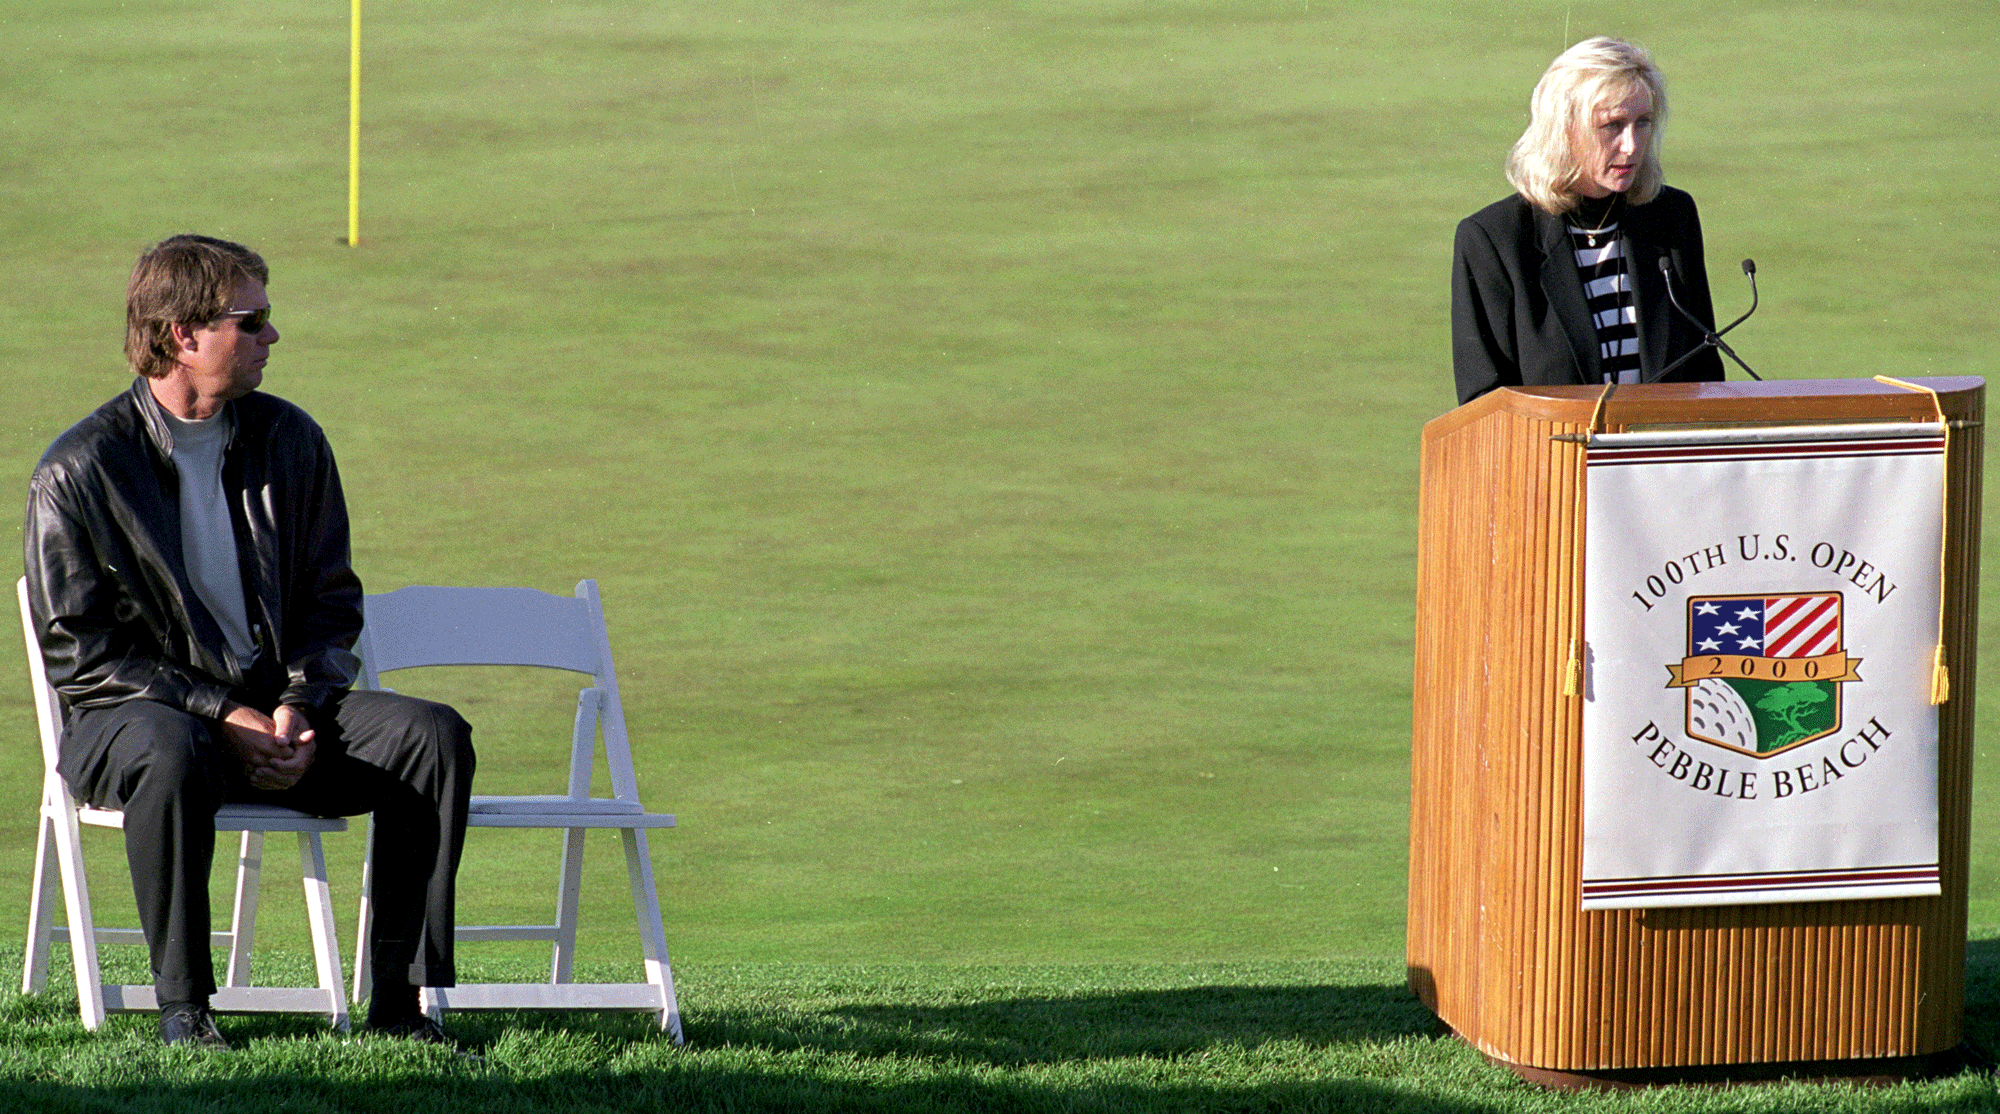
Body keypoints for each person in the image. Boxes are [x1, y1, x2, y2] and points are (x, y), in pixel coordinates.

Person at [23, 234, 475, 1049]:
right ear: (183, 334)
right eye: (253, 320)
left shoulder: (290, 440)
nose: (273, 338)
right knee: (173, 748)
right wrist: (220, 709)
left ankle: (401, 1008)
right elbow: (78, 655)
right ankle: (185, 1011)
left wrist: (301, 703)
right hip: (132, 723)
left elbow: (332, 604)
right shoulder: (79, 470)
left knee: (431, 735)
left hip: (273, 714)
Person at [1451, 37, 1725, 405]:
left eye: (1642, 123)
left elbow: (1703, 374)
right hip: (1551, 460)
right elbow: (1483, 404)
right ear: (1563, 128)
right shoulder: (1494, 240)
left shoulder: (1672, 218)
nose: (1631, 145)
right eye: (1612, 125)